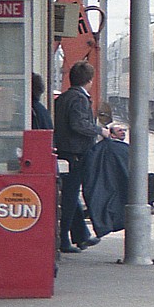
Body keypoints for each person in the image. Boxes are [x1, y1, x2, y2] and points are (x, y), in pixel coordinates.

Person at [53, 60, 108, 253]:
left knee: (70, 195)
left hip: (65, 151)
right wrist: (101, 131)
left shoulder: (63, 98)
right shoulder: (79, 99)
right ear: (90, 81)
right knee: (68, 198)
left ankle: (81, 235)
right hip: (75, 153)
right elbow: (79, 124)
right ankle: (64, 240)